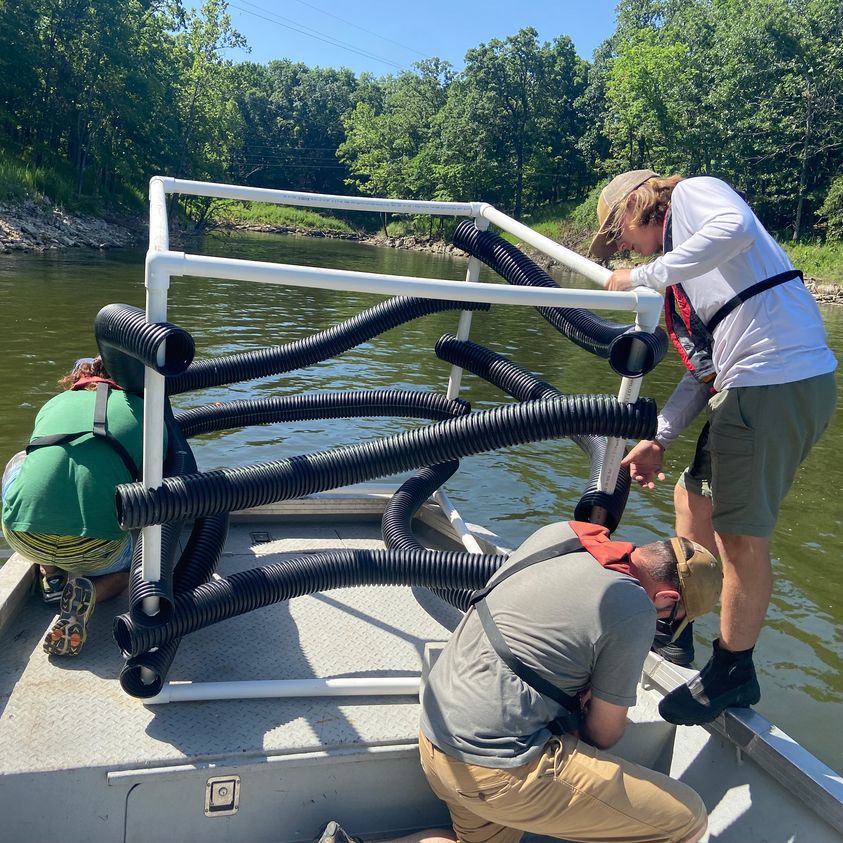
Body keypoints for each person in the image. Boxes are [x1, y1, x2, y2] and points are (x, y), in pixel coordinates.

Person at [590, 170, 837, 725]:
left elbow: (735, 226)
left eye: (619, 231)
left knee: (740, 538)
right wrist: (659, 439)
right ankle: (677, 625)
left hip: (774, 381)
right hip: (750, 385)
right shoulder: (699, 279)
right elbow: (704, 371)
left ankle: (733, 669)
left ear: (640, 204)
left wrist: (642, 276)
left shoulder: (695, 195)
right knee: (691, 500)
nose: (622, 245)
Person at [314, 519, 723, 843]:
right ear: (667, 600)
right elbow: (604, 732)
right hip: (498, 771)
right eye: (671, 620)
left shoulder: (561, 534)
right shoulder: (634, 608)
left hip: (438, 741)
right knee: (686, 819)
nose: (663, 626)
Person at [1, 356, 144, 657]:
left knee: (20, 460)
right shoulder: (141, 410)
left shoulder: (55, 403)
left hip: (23, 536)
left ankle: (50, 575)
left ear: (78, 379)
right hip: (98, 551)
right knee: (124, 573)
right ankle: (93, 591)